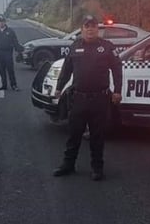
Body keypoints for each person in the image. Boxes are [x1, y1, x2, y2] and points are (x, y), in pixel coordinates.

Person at [52, 15, 123, 181]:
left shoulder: (107, 47)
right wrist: (58, 88)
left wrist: (117, 91)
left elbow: (117, 70)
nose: (90, 30)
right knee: (74, 134)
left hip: (100, 99)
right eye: (87, 27)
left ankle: (97, 168)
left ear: (97, 30)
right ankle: (68, 165)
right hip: (79, 98)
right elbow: (66, 70)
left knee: (97, 136)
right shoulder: (75, 46)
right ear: (82, 29)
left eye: (93, 27)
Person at [0, 16, 24, 91]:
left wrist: (18, 51)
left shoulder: (10, 31)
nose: (1, 23)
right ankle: (4, 85)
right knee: (1, 69)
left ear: (5, 22)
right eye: (0, 22)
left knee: (10, 69)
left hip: (8, 52)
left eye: (2, 22)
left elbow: (15, 41)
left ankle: (14, 85)